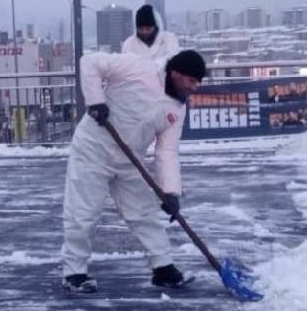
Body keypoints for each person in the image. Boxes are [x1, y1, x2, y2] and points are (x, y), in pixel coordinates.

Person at [61, 49, 207, 292]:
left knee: (144, 213)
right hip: (93, 150)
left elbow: (167, 151)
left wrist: (171, 191)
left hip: (130, 159)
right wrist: (95, 100)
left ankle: (163, 268)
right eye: (192, 81)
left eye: (198, 82)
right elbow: (89, 62)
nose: (195, 87)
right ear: (176, 73)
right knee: (82, 213)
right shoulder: (137, 67)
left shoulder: (178, 108)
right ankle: (74, 273)